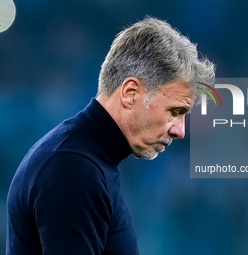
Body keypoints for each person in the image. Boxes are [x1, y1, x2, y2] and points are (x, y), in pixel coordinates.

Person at [6, 17, 215, 254]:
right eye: (174, 112)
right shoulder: (73, 169)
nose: (180, 131)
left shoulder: (84, 159)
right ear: (130, 93)